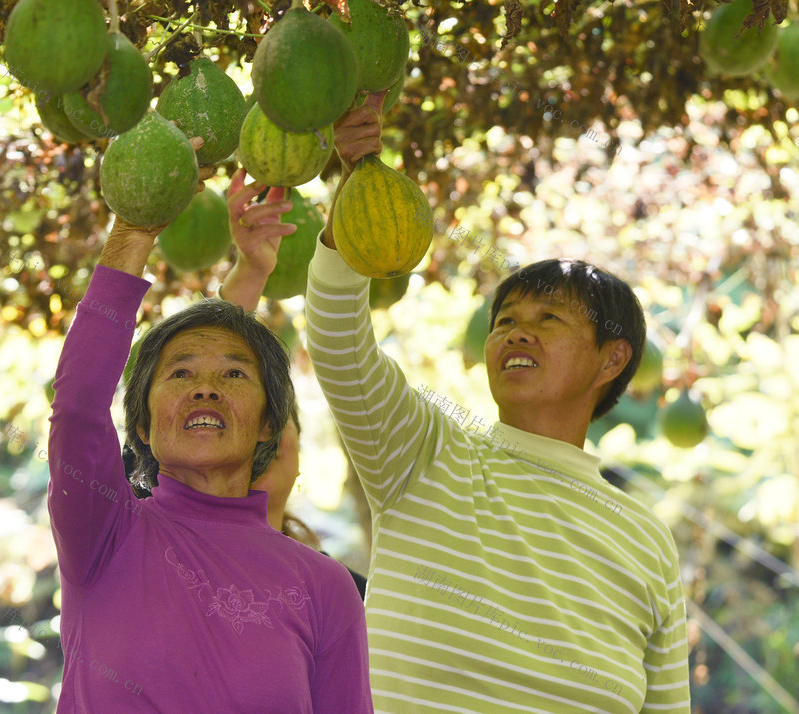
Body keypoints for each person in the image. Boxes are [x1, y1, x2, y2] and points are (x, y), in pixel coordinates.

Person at [236, 94, 692, 711]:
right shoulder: (424, 450)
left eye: (548, 318)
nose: (515, 333)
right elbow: (338, 339)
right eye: (505, 320)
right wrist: (356, 181)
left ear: (612, 359)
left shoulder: (647, 539)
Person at [46, 137, 373, 713]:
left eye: (232, 376)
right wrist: (136, 230)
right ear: (142, 428)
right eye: (179, 375)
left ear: (271, 425)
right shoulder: (105, 533)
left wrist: (250, 276)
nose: (204, 388)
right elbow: (75, 407)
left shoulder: (324, 587)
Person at [220, 169, 368, 600]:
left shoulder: (343, 594)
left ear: (298, 450)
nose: (261, 431)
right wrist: (248, 274)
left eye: (274, 416)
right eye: (234, 414)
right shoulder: (162, 551)